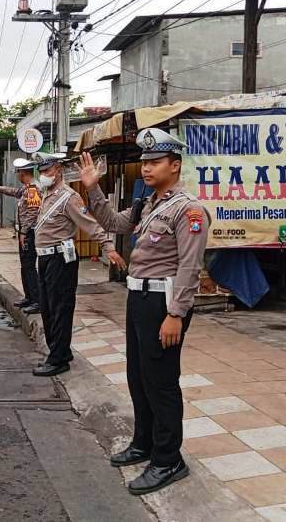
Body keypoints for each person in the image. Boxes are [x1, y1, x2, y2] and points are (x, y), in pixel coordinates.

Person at [78, 128, 210, 496]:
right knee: (138, 377)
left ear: (175, 164)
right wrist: (92, 188)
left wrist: (176, 313)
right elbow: (114, 224)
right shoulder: (149, 203)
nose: (147, 168)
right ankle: (144, 443)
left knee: (161, 382)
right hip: (138, 299)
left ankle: (169, 459)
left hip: (163, 304)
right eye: (144, 162)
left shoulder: (189, 210)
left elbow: (189, 266)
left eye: (154, 162)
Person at [31, 153, 127, 377]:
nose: (43, 175)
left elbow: (90, 224)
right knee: (46, 308)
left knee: (60, 309)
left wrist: (108, 247)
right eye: (41, 172)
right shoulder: (47, 196)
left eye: (47, 171)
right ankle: (60, 351)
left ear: (58, 170)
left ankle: (58, 360)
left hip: (60, 260)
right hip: (45, 259)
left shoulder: (69, 198)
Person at [0, 158, 42, 314]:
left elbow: (33, 213)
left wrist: (23, 232)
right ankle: (29, 297)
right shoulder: (25, 189)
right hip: (25, 233)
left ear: (22, 173)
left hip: (29, 233)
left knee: (29, 267)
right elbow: (13, 191)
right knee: (25, 267)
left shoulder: (33, 190)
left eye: (18, 172)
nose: (17, 175)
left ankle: (37, 301)